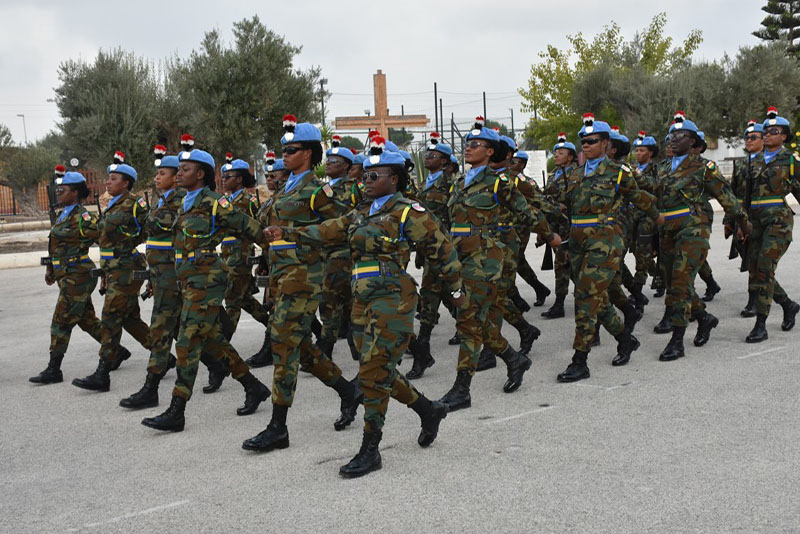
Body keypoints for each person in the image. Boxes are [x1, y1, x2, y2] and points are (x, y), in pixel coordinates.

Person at [261, 139, 463, 477]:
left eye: (374, 176)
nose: (366, 180)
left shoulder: (407, 212)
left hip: (393, 299)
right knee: (377, 370)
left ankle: (371, 448)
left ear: (394, 179)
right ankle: (428, 410)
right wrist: (288, 232)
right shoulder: (360, 212)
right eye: (365, 175)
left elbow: (442, 249)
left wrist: (457, 291)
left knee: (372, 371)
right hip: (361, 301)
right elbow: (328, 230)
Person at [241, 116, 362, 453]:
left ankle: (278, 427)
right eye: (283, 150)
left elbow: (347, 220)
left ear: (308, 154)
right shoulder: (285, 188)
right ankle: (348, 391)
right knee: (300, 347)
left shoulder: (315, 190)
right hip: (282, 278)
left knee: (282, 344)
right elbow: (263, 229)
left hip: (305, 278)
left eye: (291, 150)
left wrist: (304, 237)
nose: (284, 155)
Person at [141, 148, 271, 432]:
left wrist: (276, 254)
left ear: (200, 174)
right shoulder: (183, 203)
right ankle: (254, 386)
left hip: (207, 280)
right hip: (188, 280)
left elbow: (251, 228)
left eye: (185, 169)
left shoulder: (214, 203)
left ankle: (177, 410)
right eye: (179, 169)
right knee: (213, 341)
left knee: (186, 343)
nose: (179, 174)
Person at [437, 117, 560, 410]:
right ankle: (514, 359)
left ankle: (461, 389)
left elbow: (525, 211)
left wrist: (549, 234)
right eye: (467, 143)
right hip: (459, 256)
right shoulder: (459, 182)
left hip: (485, 258)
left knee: (468, 319)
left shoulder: (498, 182)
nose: (469, 148)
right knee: (474, 319)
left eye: (476, 144)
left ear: (490, 151)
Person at [556, 114, 663, 382]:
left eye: (592, 141)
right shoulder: (575, 174)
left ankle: (579, 361)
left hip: (605, 241)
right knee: (599, 300)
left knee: (585, 299)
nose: (586, 145)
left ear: (605, 144)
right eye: (583, 141)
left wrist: (658, 217)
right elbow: (565, 208)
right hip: (579, 242)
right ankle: (625, 339)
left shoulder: (618, 173)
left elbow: (639, 197)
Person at [654, 113, 748, 362]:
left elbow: (727, 198)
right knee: (674, 281)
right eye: (671, 134)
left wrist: (742, 226)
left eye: (680, 135)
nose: (673, 139)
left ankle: (677, 340)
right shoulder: (662, 168)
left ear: (693, 141)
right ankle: (704, 318)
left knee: (682, 279)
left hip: (693, 228)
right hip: (668, 231)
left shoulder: (703, 167)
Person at [31, 168, 129, 384]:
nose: (58, 193)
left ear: (75, 193)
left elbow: (104, 238)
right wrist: (50, 268)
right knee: (87, 321)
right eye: (58, 190)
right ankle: (117, 350)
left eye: (63, 190)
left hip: (79, 276)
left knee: (61, 320)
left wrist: (111, 265)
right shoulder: (61, 214)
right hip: (64, 274)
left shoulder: (83, 217)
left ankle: (54, 369)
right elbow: (55, 244)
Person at [73, 153, 151, 392]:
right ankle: (164, 357)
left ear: (126, 182)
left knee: (110, 319)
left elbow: (148, 229)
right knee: (130, 319)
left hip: (127, 269)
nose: (108, 182)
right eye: (108, 178)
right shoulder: (112, 205)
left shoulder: (135, 205)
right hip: (114, 270)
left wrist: (130, 246)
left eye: (113, 178)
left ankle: (102, 374)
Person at [726, 108, 800, 341]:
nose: (767, 135)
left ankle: (761, 324)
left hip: (779, 222)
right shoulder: (751, 161)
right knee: (757, 270)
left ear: (784, 136)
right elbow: (745, 197)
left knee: (765, 267)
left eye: (774, 131)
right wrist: (740, 224)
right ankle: (788, 305)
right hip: (754, 223)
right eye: (765, 131)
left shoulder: (790, 160)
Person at [119, 147, 183, 408]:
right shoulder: (160, 202)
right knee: (195, 332)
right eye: (156, 173)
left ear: (177, 177)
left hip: (172, 275)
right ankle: (237, 375)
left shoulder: (181, 202)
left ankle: (150, 389)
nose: (157, 177)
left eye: (162, 173)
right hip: (160, 274)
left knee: (160, 328)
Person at [408, 132, 455, 379]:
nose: (427, 157)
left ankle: (422, 350)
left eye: (433, 155)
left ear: (445, 162)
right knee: (436, 296)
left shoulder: (451, 185)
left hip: (445, 249)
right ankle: (422, 350)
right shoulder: (425, 183)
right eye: (427, 153)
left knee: (433, 296)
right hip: (430, 250)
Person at [316, 136, 362, 361]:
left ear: (346, 166)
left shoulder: (355, 188)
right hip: (324, 251)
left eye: (335, 161)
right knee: (346, 301)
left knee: (330, 300)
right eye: (329, 160)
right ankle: (356, 346)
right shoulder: (320, 189)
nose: (330, 164)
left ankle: (325, 349)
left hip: (343, 251)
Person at [247, 153, 287, 367]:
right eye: (267, 176)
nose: (269, 180)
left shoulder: (287, 199)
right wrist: (263, 262)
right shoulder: (273, 199)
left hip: (287, 262)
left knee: (280, 310)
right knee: (276, 309)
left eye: (274, 176)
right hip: (273, 259)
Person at [541, 135, 578, 319]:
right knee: (564, 264)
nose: (556, 155)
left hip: (569, 225)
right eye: (555, 152)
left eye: (560, 152)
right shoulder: (553, 174)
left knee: (564, 264)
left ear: (570, 157)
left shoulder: (576, 174)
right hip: (556, 225)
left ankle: (561, 303)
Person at [629, 131, 660, 314]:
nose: (637, 153)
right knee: (635, 250)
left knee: (642, 252)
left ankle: (637, 289)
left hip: (648, 215)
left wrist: (638, 175)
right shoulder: (632, 168)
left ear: (650, 152)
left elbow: (655, 186)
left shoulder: (655, 169)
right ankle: (659, 275)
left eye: (641, 150)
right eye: (636, 150)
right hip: (633, 214)